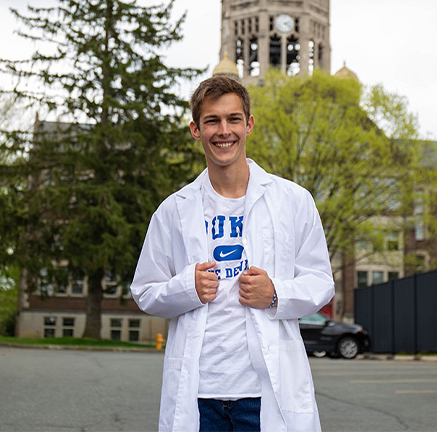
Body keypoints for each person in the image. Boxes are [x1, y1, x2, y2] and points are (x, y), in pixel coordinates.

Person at [131, 76, 335, 432]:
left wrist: (275, 294)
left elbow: (321, 282)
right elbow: (145, 290)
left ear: (249, 124)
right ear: (196, 129)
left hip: (264, 393)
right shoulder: (173, 210)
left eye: (233, 119)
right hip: (199, 395)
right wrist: (186, 288)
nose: (223, 131)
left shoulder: (293, 201)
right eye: (212, 121)